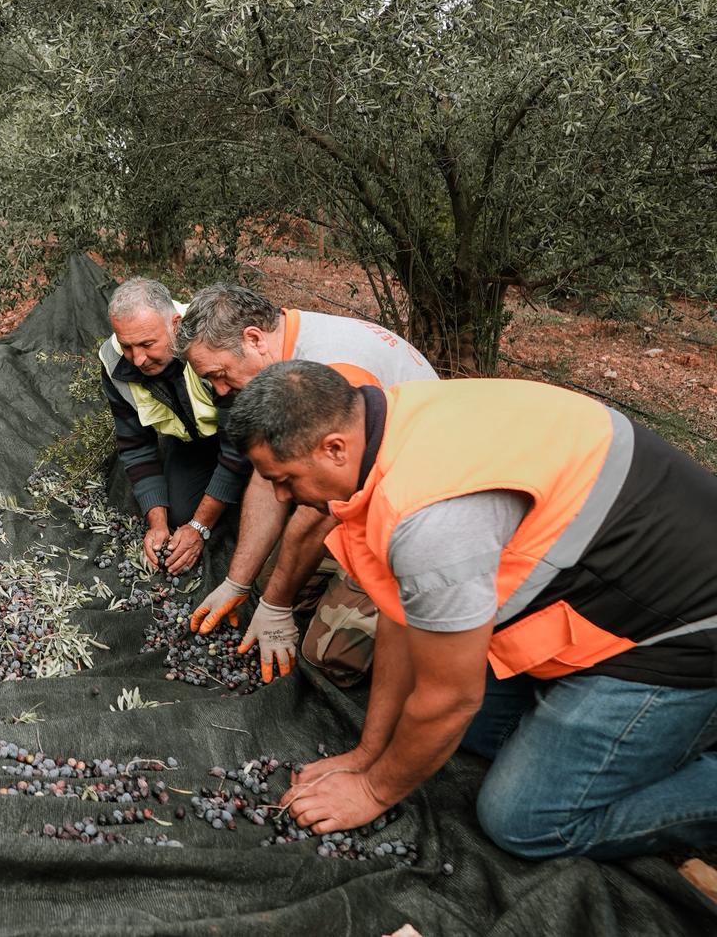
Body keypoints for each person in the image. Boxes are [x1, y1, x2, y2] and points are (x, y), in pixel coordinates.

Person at [227, 360, 717, 859]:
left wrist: (374, 789)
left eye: (284, 479)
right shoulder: (392, 422)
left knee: (521, 819)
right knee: (457, 732)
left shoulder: (426, 519)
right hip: (608, 589)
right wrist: (370, 753)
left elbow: (449, 700)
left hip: (680, 633)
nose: (282, 496)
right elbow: (400, 615)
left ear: (334, 447)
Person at [178, 285, 435, 685]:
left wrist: (276, 606)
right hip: (366, 489)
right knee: (266, 582)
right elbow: (271, 477)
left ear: (253, 338)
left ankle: (418, 624)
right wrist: (238, 582)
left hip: (416, 514)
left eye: (220, 375)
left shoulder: (332, 371)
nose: (222, 391)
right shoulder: (285, 356)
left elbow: (322, 508)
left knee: (329, 652)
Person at [98, 278, 248, 576]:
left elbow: (239, 445)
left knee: (247, 512)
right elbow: (135, 445)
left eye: (147, 344)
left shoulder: (213, 341)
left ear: (176, 324)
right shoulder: (114, 360)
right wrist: (158, 523)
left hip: (246, 438)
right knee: (178, 513)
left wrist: (199, 527)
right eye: (127, 345)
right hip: (193, 442)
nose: (138, 358)